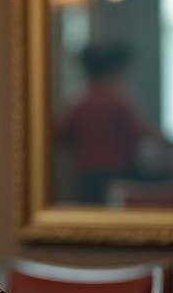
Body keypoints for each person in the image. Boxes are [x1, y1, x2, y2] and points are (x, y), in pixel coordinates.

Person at [55, 41, 162, 202]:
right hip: (117, 171)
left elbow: (61, 134)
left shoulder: (80, 101)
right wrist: (168, 143)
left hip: (88, 173)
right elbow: (138, 131)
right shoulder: (117, 100)